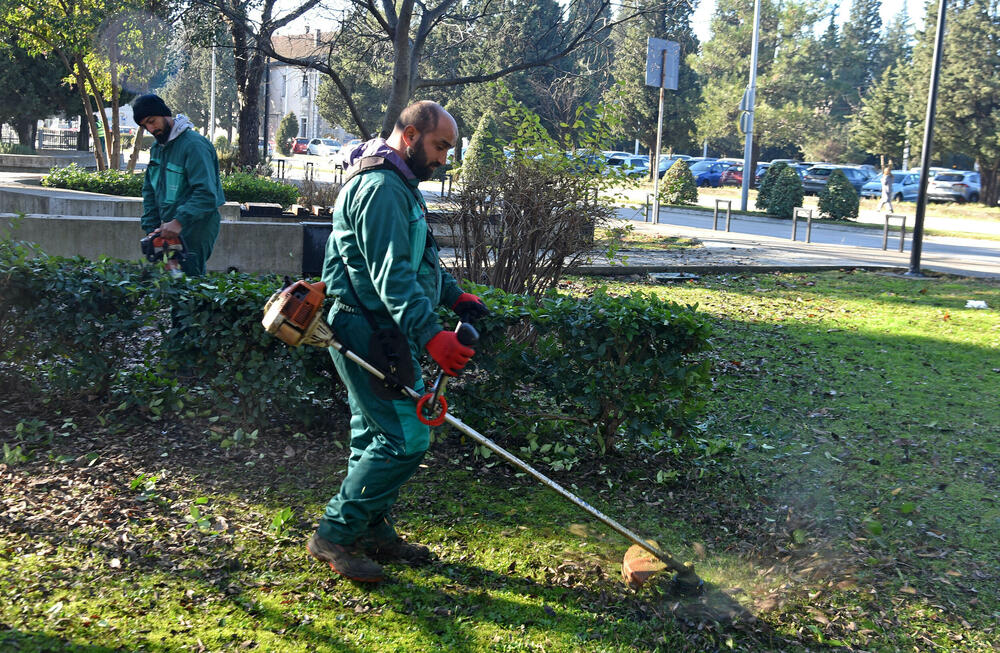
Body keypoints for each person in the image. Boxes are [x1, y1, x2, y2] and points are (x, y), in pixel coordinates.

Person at [306, 101, 489, 582]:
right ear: (409, 136)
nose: (444, 159)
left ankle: (370, 527)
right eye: (440, 147)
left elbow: (417, 260)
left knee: (372, 434)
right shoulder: (381, 189)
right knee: (407, 437)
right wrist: (432, 336)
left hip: (378, 326)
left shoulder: (399, 184)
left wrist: (454, 295)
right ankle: (335, 534)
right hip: (367, 327)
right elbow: (391, 278)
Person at [134, 94, 225, 276]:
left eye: (152, 121)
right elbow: (150, 191)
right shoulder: (157, 149)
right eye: (145, 126)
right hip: (170, 227)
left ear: (165, 114)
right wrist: (152, 230)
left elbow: (206, 194)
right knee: (170, 278)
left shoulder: (194, 146)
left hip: (198, 225)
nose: (150, 129)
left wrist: (179, 221)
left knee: (189, 278)